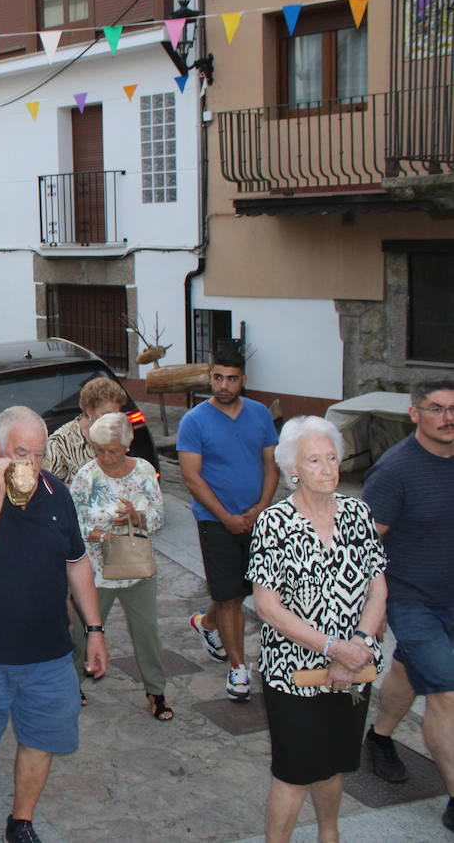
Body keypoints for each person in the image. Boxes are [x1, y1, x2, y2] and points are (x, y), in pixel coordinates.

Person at [0, 406, 107, 843]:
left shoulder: (56, 492)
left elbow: (77, 564)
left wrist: (94, 629)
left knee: (42, 738)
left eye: (39, 454)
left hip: (48, 654)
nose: (32, 465)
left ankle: (21, 820)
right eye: (21, 453)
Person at [247, 416, 387, 843]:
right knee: (293, 771)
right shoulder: (274, 524)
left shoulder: (359, 514)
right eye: (315, 460)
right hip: (295, 673)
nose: (328, 469)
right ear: (293, 469)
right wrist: (333, 649)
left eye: (332, 458)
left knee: (334, 762)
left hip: (353, 670)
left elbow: (377, 588)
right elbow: (268, 607)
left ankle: (330, 835)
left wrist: (357, 647)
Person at [362, 377, 454, 828]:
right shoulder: (395, 470)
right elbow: (367, 545)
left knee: (406, 670)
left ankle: (378, 738)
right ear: (415, 413)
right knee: (448, 694)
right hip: (414, 602)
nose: (448, 418)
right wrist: (371, 611)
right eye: (436, 409)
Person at [179, 347, 280, 701]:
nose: (223, 385)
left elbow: (272, 463)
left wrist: (262, 508)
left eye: (231, 378)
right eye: (218, 377)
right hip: (215, 522)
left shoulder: (259, 415)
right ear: (210, 377)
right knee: (231, 597)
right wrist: (227, 517)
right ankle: (239, 669)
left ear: (243, 380)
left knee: (238, 590)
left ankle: (206, 623)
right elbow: (191, 477)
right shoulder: (193, 420)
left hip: (257, 518)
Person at [68, 413, 170, 720]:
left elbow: (157, 518)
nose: (106, 457)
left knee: (147, 631)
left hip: (135, 568)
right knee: (80, 631)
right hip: (95, 570)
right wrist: (93, 533)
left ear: (127, 445)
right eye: (100, 450)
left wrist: (136, 517)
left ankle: (156, 692)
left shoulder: (143, 471)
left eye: (113, 450)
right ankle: (72, 685)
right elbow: (71, 521)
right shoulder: (86, 476)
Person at [45, 376, 128, 482]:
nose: (112, 420)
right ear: (89, 410)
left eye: (116, 414)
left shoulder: (115, 436)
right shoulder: (59, 444)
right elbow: (50, 490)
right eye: (106, 414)